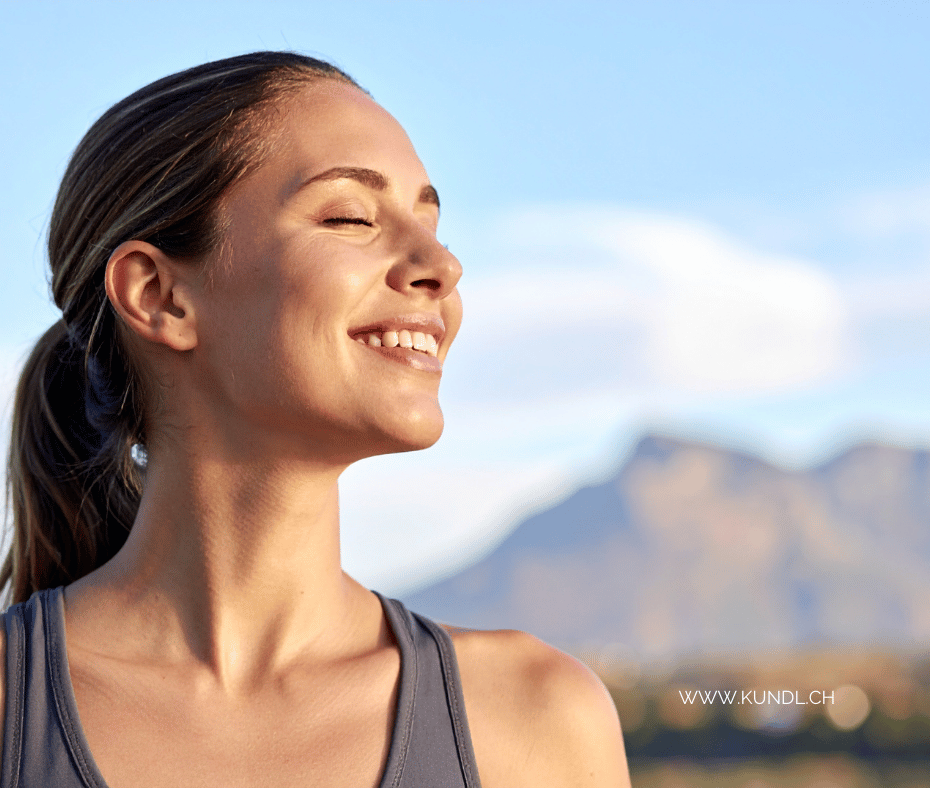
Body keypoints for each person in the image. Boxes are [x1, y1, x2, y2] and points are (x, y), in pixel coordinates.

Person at [1, 52, 631, 787]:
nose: (441, 265)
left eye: (433, 223)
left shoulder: (535, 721)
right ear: (159, 296)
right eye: (351, 216)